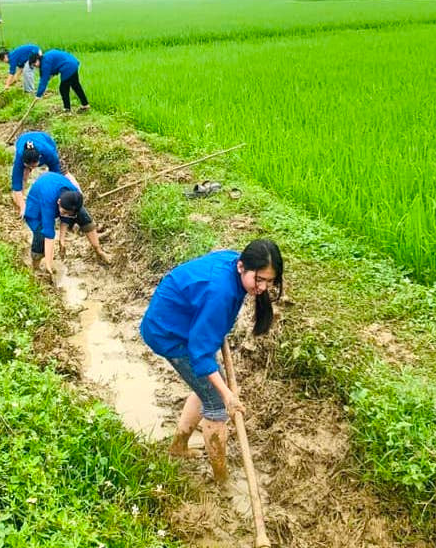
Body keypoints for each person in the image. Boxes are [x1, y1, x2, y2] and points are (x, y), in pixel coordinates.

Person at [140, 240, 284, 483]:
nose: (263, 287)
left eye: (269, 282)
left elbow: (206, 328)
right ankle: (221, 478)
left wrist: (214, 327)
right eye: (259, 280)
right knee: (216, 404)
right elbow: (200, 353)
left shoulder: (235, 265)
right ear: (241, 267)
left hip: (186, 322)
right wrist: (227, 396)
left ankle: (178, 446)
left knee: (206, 387)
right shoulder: (220, 293)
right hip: (168, 332)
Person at [22, 172, 110, 274]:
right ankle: (36, 267)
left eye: (69, 213)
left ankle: (98, 251)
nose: (65, 214)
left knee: (82, 214)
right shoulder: (49, 203)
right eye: (63, 212)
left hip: (59, 198)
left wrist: (62, 240)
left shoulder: (74, 195)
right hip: (36, 209)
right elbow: (49, 234)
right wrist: (49, 265)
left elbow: (66, 216)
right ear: (59, 202)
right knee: (41, 234)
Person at [11, 131, 64, 215]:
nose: (32, 169)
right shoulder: (19, 157)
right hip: (23, 139)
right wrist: (23, 208)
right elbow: (16, 186)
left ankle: (78, 196)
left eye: (34, 166)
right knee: (22, 177)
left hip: (46, 140)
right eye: (29, 167)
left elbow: (56, 177)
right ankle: (22, 200)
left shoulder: (49, 153)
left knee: (63, 174)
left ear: (40, 158)